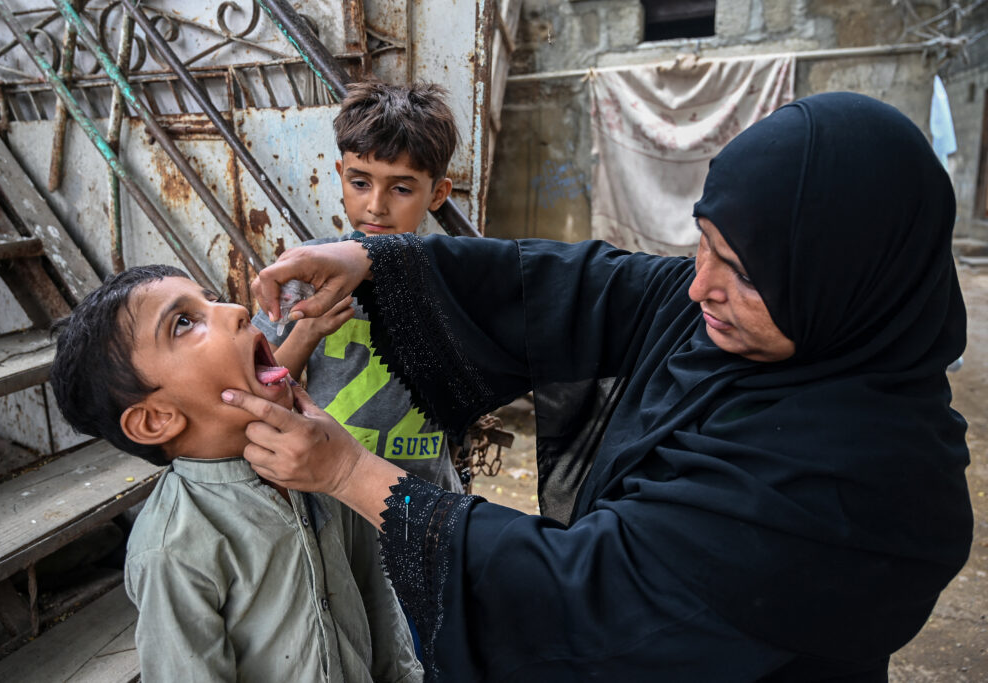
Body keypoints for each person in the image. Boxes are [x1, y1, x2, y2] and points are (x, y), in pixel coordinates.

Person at [223, 92, 973, 681]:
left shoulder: (865, 488)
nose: (697, 287)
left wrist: (350, 470)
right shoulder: (746, 323)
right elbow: (579, 284)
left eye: (739, 272)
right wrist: (374, 261)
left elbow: (594, 593)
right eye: (701, 243)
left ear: (847, 287)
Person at [49, 265, 423, 682]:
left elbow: (376, 597)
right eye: (184, 322)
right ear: (156, 420)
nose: (235, 310)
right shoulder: (171, 548)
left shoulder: (322, 464)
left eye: (211, 297)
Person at [255, 79, 464, 494]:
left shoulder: (453, 277)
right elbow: (261, 390)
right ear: (340, 174)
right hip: (330, 493)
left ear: (437, 193)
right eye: (361, 182)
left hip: (424, 494)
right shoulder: (303, 273)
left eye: (401, 188)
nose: (376, 205)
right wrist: (308, 330)